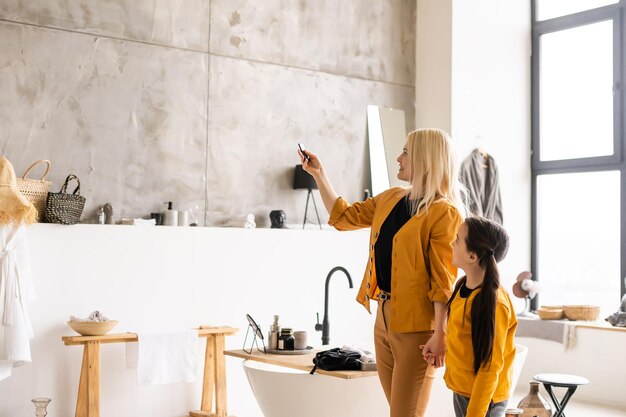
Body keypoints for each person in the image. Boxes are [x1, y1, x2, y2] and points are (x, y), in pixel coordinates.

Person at [299, 128, 465, 417]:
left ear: (425, 160)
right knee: (399, 412)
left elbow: (443, 283)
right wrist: (319, 174)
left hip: (418, 329)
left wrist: (441, 334)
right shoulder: (390, 199)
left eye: (405, 152)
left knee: (404, 414)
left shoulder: (444, 213)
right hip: (383, 318)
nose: (398, 158)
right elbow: (344, 217)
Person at [440, 216, 517, 417]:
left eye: (457, 240)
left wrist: (475, 413)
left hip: (485, 398)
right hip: (463, 390)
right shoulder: (462, 286)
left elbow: (490, 367)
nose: (451, 243)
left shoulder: (495, 303)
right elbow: (461, 336)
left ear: (472, 256)